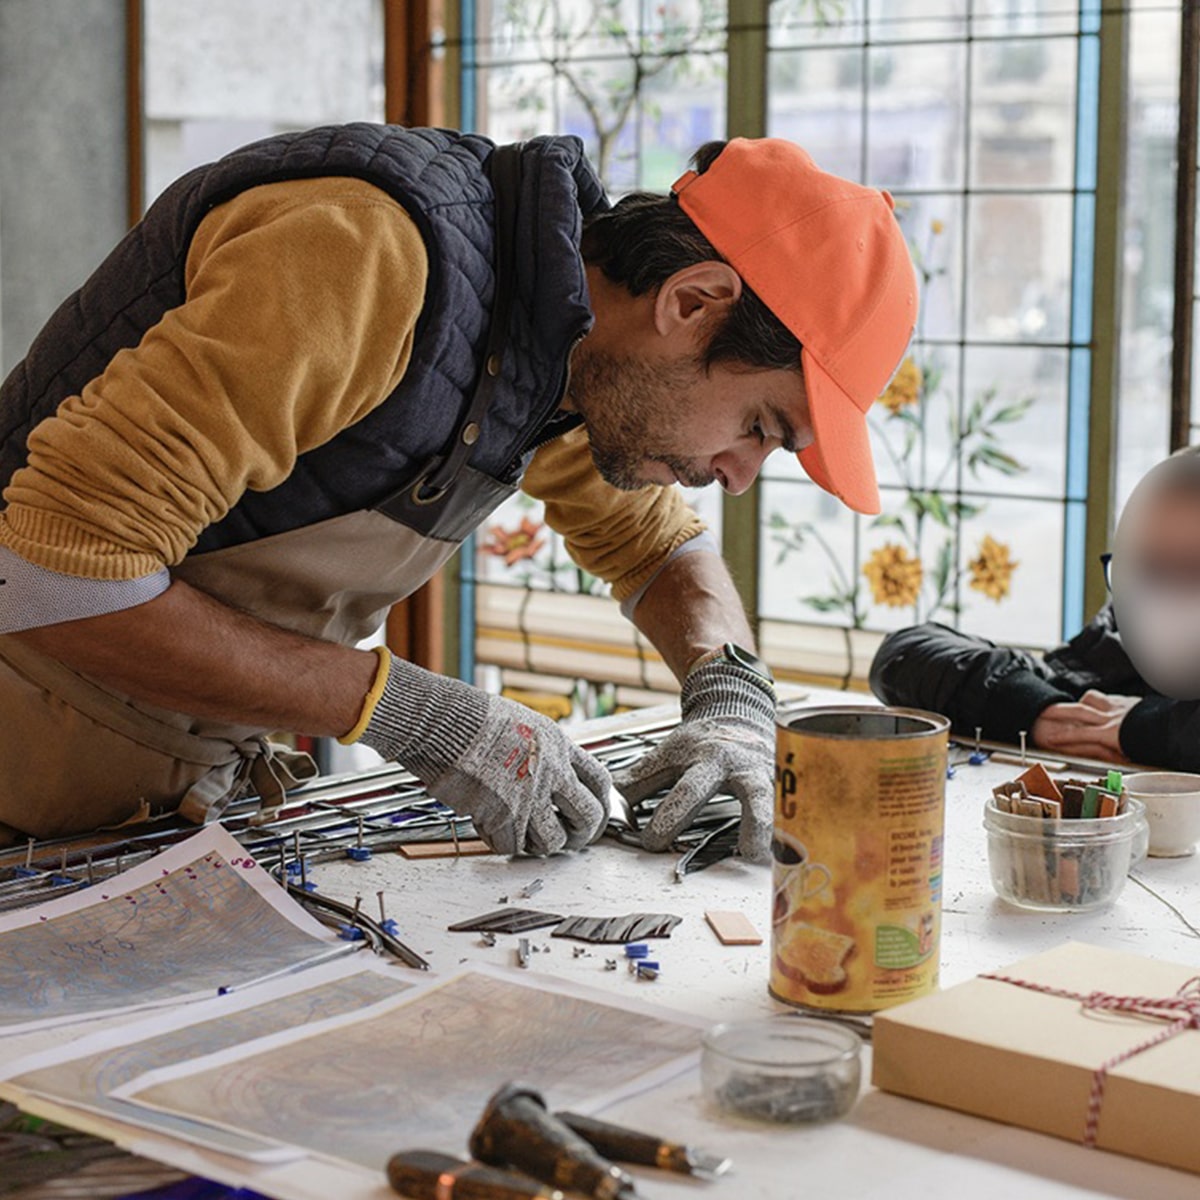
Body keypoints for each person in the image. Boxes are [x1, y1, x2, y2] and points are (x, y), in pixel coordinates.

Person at [0, 127, 916, 857]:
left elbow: (658, 548)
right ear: (692, 301)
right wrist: (415, 713)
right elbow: (54, 577)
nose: (741, 476)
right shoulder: (369, 257)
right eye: (759, 426)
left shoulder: (570, 357)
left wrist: (733, 702)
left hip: (133, 809)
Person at [870, 448, 1200, 770]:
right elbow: (903, 656)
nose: (1167, 596)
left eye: (1193, 569)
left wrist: (1142, 729)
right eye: (1151, 569)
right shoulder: (1115, 644)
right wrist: (1038, 711)